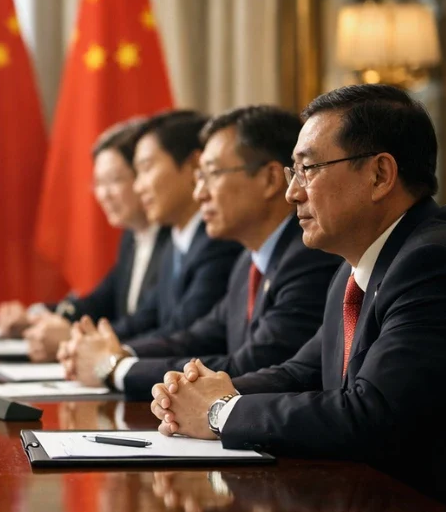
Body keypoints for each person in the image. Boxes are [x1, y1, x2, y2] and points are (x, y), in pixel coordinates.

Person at [151, 84, 446, 503]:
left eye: (309, 169)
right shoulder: (354, 266)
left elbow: (373, 415)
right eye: (295, 172)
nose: (294, 192)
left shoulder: (431, 261)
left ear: (380, 175)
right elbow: (299, 373)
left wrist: (219, 412)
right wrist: (194, 393)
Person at [64, 106, 341, 398]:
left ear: (270, 179)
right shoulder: (248, 260)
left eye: (212, 174)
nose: (200, 193)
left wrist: (115, 368)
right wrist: (118, 353)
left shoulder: (309, 258)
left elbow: (250, 365)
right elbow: (197, 336)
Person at [49, 110, 243, 363]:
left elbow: (187, 334)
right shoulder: (176, 240)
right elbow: (146, 316)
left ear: (193, 167)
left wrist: (107, 356)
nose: (138, 187)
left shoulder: (220, 243)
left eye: (145, 169)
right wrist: (91, 346)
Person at [0, 117, 170, 353]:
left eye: (114, 180)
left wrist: (74, 337)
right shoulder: (131, 238)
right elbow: (98, 302)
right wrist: (35, 317)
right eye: (98, 183)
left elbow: (147, 321)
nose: (103, 194)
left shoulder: (173, 239)